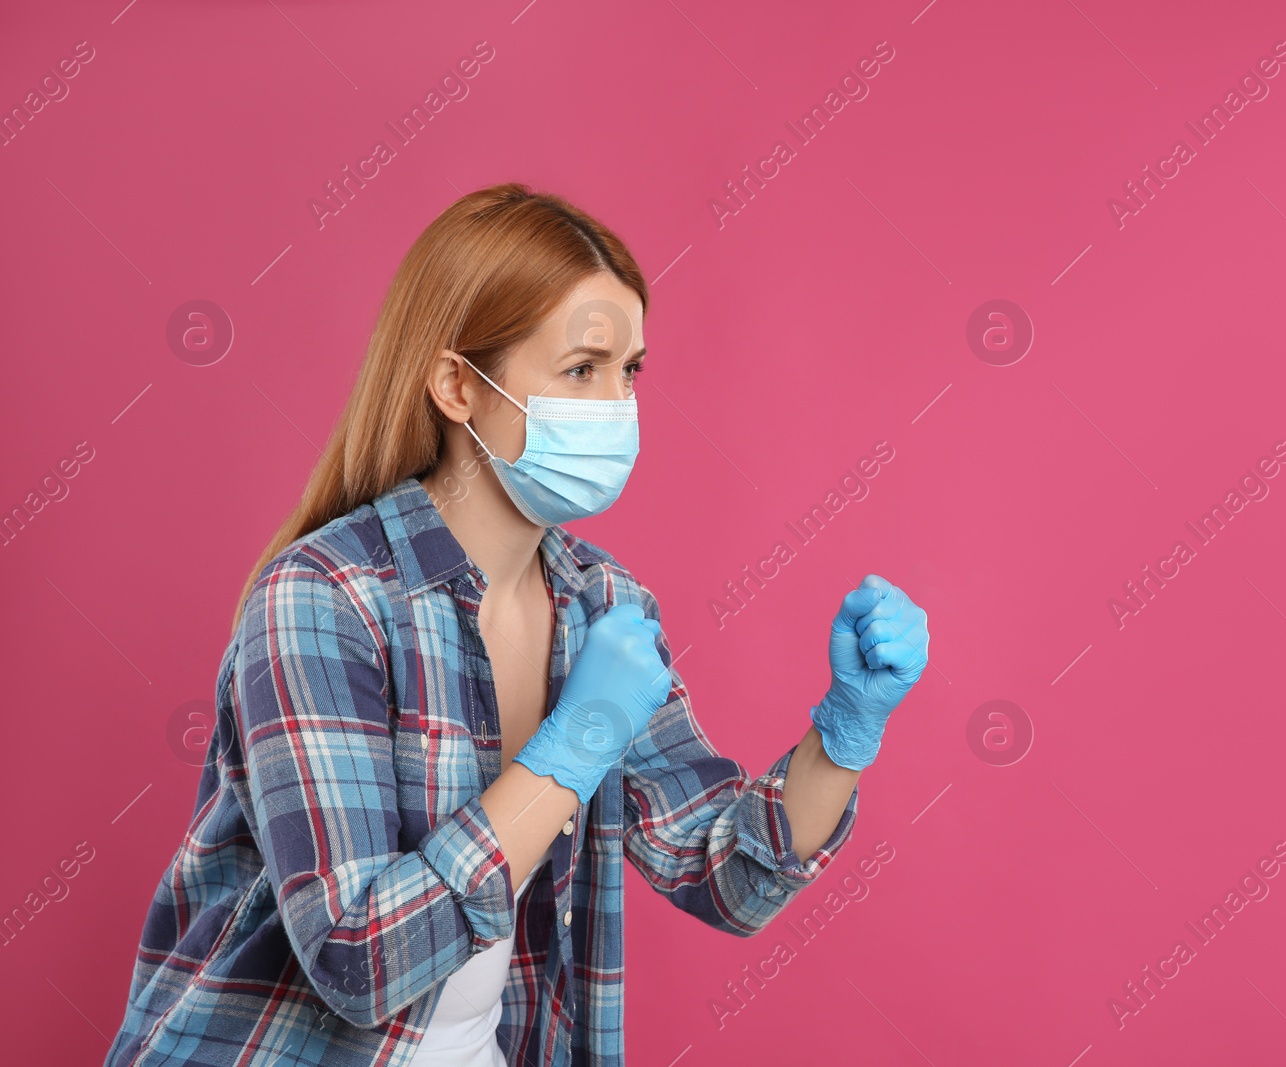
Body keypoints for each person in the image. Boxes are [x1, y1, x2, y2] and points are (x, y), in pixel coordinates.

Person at [102, 183, 931, 1067]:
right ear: (460, 384)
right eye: (583, 370)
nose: (617, 405)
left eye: (631, 370)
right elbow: (357, 958)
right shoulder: (323, 599)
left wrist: (845, 730)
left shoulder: (604, 607)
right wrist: (570, 748)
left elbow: (726, 877)